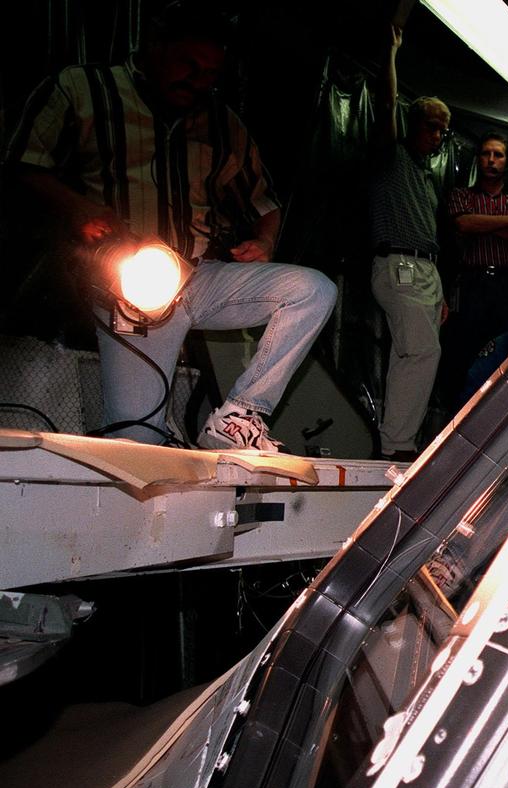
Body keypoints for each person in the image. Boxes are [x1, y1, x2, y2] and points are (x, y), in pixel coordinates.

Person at [4, 2, 335, 451]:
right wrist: (78, 209)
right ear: (154, 45)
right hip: (126, 284)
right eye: (188, 65)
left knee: (312, 289)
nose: (197, 81)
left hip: (198, 274)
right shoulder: (83, 89)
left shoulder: (222, 122)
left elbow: (265, 201)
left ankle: (240, 414)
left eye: (210, 73)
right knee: (138, 439)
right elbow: (23, 166)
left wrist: (264, 239)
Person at [369, 24, 450, 462]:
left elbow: (431, 237)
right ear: (413, 124)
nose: (436, 136)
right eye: (431, 127)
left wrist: (440, 288)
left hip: (425, 270)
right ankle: (397, 445)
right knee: (421, 351)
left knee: (412, 354)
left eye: (442, 131)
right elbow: (386, 105)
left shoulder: (425, 175)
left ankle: (398, 439)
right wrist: (391, 54)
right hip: (398, 264)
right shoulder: (392, 156)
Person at [441, 133, 508, 404]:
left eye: (498, 155)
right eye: (486, 154)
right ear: (478, 158)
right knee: (466, 351)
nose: (491, 160)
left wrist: (480, 225)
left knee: (507, 349)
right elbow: (463, 224)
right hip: (472, 283)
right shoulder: (462, 194)